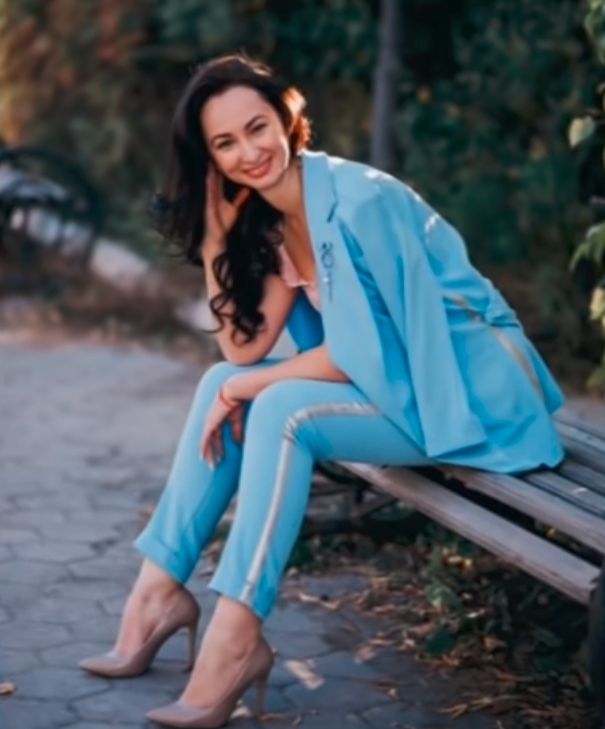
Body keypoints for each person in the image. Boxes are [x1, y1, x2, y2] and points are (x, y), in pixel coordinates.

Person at [78, 54, 565, 728]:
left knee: (278, 407)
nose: (249, 152)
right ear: (210, 162)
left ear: (287, 117)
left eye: (257, 128)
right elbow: (240, 349)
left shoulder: (359, 200)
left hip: (471, 392)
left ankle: (234, 640)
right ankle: (155, 597)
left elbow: (375, 348)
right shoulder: (279, 220)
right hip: (408, 387)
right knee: (223, 380)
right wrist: (216, 240)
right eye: (225, 143)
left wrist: (252, 384)